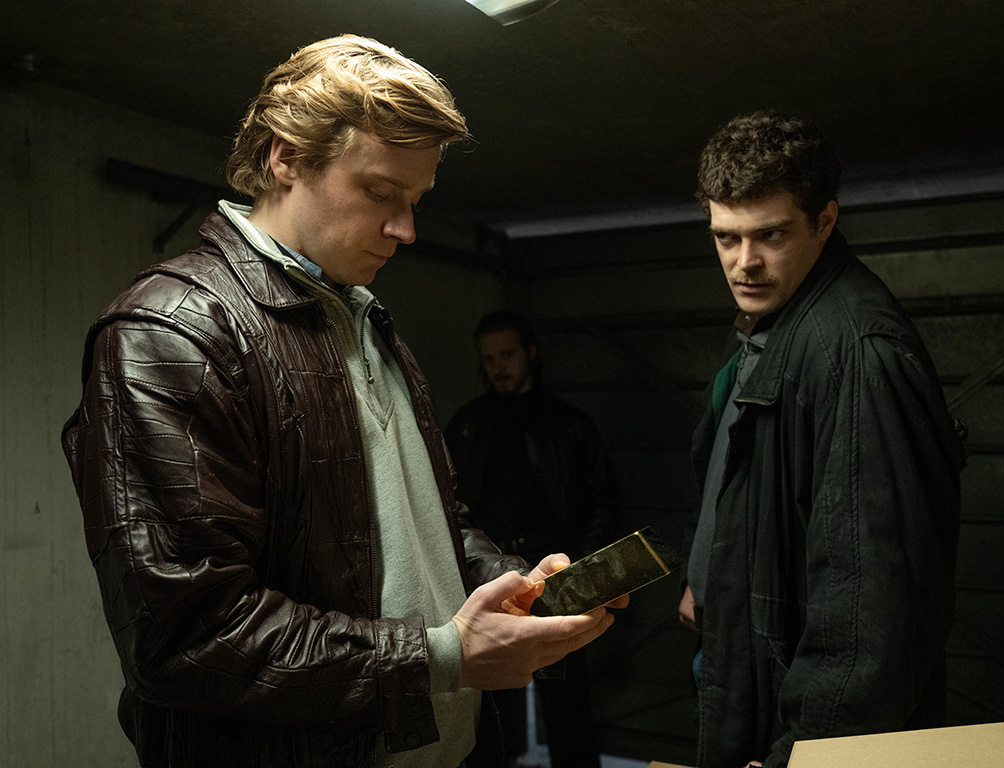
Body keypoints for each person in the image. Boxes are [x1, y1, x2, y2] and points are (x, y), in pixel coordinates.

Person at [61, 35, 624, 768]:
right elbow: (186, 637)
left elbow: (427, 525)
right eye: (381, 192)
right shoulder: (173, 331)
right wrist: (444, 656)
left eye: (415, 201)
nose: (406, 229)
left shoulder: (365, 322)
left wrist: (512, 584)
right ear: (287, 157)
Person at [676, 110, 965, 768]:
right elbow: (736, 480)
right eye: (725, 237)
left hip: (797, 718)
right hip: (741, 655)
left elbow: (873, 612)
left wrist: (805, 756)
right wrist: (705, 575)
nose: (744, 263)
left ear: (824, 221)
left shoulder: (855, 351)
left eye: (770, 235)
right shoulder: (768, 325)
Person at [445, 311, 623, 768]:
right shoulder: (468, 424)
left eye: (507, 354)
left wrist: (581, 571)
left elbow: (604, 501)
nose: (498, 366)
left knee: (566, 706)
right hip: (489, 579)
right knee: (491, 712)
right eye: (489, 358)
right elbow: (448, 507)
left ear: (530, 353)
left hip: (554, 573)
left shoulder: (567, 423)